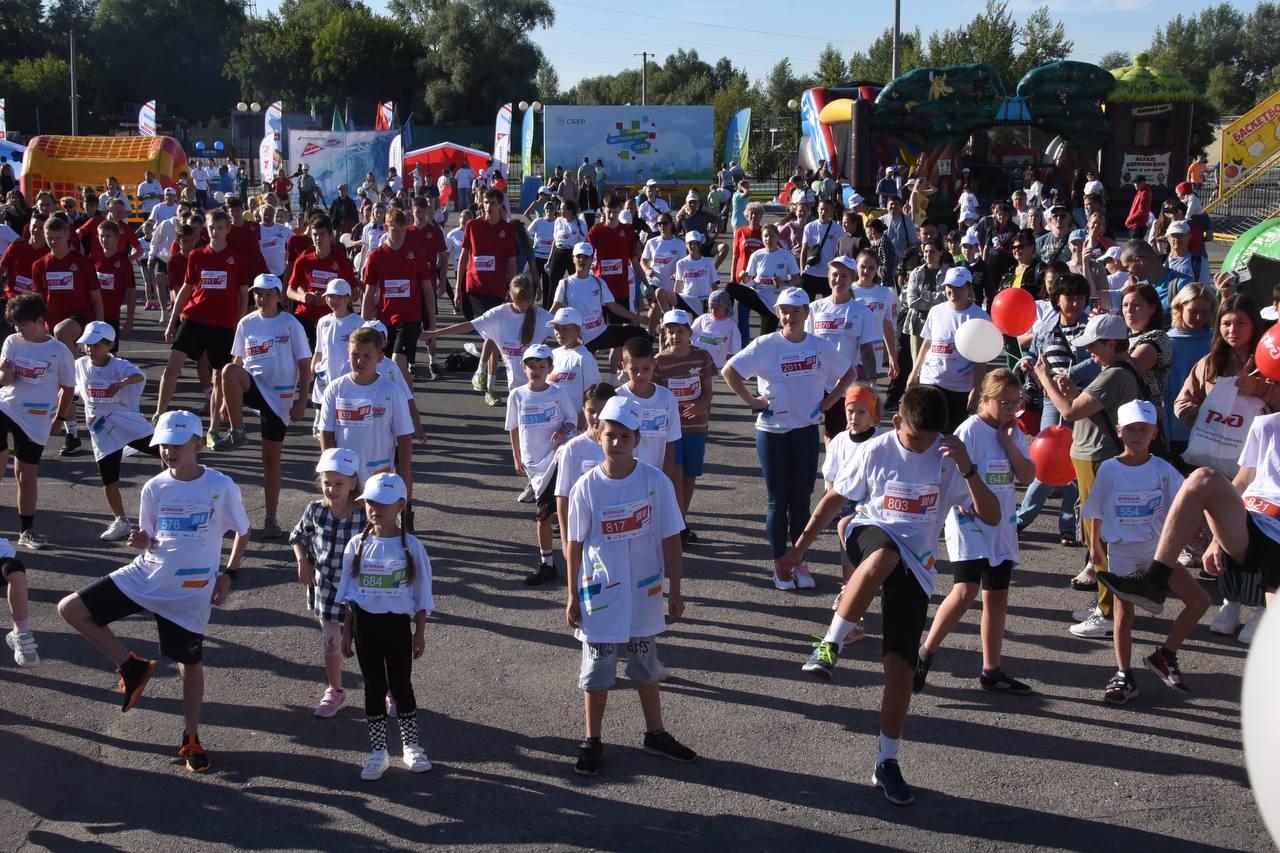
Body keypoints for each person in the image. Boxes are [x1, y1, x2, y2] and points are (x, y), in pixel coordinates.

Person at [782, 385, 1001, 806]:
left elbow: (991, 515)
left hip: (917, 565)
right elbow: (833, 500)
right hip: (868, 532)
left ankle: (887, 761)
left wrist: (969, 469)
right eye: (918, 439)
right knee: (882, 556)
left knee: (900, 673)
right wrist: (800, 547)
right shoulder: (877, 450)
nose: (926, 446)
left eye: (933, 438)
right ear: (898, 422)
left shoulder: (947, 458)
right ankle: (829, 646)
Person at [57, 409, 250, 773]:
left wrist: (229, 574)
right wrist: (141, 540)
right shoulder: (155, 487)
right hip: (147, 577)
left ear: (197, 444)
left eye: (177, 444)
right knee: (71, 608)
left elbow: (243, 530)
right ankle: (130, 666)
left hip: (190, 591)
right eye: (163, 445)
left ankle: (191, 738)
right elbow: (150, 541)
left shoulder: (221, 486)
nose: (169, 451)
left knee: (189, 664)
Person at [564, 396, 695, 777]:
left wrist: (676, 589)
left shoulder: (655, 482)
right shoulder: (587, 486)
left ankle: (655, 733)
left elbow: (672, 536)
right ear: (598, 437)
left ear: (637, 439)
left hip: (644, 590)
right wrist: (572, 593)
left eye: (624, 436)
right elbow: (573, 542)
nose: (616, 442)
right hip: (600, 592)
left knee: (644, 663)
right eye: (610, 435)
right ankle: (592, 739)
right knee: (597, 669)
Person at [722, 287, 854, 589]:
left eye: (796, 311)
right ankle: (780, 564)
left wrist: (829, 402)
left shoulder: (819, 346)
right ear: (778, 313)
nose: (789, 316)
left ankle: (799, 559)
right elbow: (729, 371)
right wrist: (752, 401)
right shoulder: (765, 345)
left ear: (806, 313)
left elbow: (847, 373)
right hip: (772, 433)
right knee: (778, 501)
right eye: (784, 311)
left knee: (802, 500)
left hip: (806, 431)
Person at [915, 369, 1036, 695]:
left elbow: (1027, 475)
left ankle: (991, 669)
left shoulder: (1010, 431)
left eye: (1016, 402)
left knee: (997, 597)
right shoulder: (969, 430)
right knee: (966, 590)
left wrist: (1009, 442)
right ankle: (925, 653)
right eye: (1005, 402)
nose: (1012, 409)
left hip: (1003, 524)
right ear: (985, 399)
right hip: (967, 520)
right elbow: (947, 471)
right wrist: (959, 502)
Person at [1173, 294, 1280, 641]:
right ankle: (1231, 600)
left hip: (1261, 465)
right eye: (1226, 323)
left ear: (1255, 326)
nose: (1233, 329)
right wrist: (1202, 418)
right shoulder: (1209, 363)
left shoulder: (1267, 359)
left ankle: (1264, 608)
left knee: (1262, 537)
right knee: (1222, 533)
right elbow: (1183, 401)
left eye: (1241, 322)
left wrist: (1262, 388)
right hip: (1219, 460)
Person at [1033, 313, 1143, 637]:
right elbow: (1080, 407)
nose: (1089, 353)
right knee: (1096, 537)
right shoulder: (1111, 371)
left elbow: (1069, 412)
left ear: (1111, 343)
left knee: (1100, 539)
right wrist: (1067, 390)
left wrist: (1046, 381)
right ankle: (1105, 606)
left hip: (1098, 458)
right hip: (1091, 457)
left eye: (1094, 346)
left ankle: (1108, 612)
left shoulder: (1115, 375)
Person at [1075, 399, 1189, 703]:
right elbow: (1095, 510)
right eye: (1131, 429)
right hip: (1122, 551)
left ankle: (1165, 655)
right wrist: (1095, 550)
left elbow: (1184, 504)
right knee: (1123, 613)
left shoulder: (1163, 469)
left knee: (1198, 600)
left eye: (1144, 429)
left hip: (1158, 552)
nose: (1137, 435)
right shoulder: (1110, 469)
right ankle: (1124, 674)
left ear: (1154, 432)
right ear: (1119, 431)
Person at [336, 472, 434, 779]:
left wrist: (420, 632)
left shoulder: (412, 546)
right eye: (370, 503)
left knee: (401, 685)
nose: (375, 509)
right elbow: (351, 594)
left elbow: (421, 594)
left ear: (400, 505)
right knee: (374, 687)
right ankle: (378, 752)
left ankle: (411, 746)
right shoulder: (356, 545)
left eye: (383, 503)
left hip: (397, 627)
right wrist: (347, 631)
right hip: (366, 627)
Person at [210, 274, 311, 538]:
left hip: (280, 399)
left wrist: (302, 400)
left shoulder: (290, 324)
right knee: (229, 370)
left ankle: (271, 518)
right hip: (254, 387)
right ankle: (238, 431)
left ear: (279, 296)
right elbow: (236, 362)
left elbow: (304, 365)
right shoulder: (247, 322)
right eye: (258, 294)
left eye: (268, 294)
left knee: (270, 459)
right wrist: (225, 404)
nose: (262, 299)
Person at [289, 447, 366, 718]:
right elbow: (298, 536)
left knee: (369, 641)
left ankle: (386, 689)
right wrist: (303, 561)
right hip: (325, 585)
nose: (331, 489)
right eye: (326, 483)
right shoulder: (315, 510)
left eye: (339, 484)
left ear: (353, 482)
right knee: (331, 641)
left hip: (359, 587)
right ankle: (336, 690)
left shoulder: (364, 512)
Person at [1015, 273, 1091, 544]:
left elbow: (1097, 361)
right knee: (1046, 461)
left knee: (1074, 464)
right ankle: (1022, 517)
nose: (1074, 304)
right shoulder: (1045, 327)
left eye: (1080, 298)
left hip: (1081, 402)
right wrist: (1026, 363)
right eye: (1069, 298)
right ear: (1057, 300)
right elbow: (1033, 354)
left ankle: (1068, 526)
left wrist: (1073, 376)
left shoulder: (1091, 328)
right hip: (1050, 400)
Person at [155, 210, 252, 420]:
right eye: (211, 228)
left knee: (218, 377)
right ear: (206, 230)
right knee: (172, 366)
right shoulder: (197, 256)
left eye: (219, 228)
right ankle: (158, 414)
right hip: (194, 319)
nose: (215, 232)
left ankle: (213, 428)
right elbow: (186, 289)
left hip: (223, 324)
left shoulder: (238, 257)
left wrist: (240, 325)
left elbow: (243, 293)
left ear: (227, 229)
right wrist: (172, 321)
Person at [0, 294, 77, 550]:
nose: (18, 329)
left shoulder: (59, 351)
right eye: (15, 324)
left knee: (26, 475)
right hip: (5, 407)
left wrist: (61, 418)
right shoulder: (12, 341)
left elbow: (67, 388)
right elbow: (5, 380)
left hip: (35, 418)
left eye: (22, 324)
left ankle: (26, 531)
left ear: (40, 321)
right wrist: (6, 374)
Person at [74, 321, 161, 541]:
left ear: (110, 344)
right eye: (87, 344)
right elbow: (69, 389)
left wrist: (121, 383)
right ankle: (121, 520)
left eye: (95, 344)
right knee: (108, 478)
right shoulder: (80, 365)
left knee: (166, 452)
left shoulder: (119, 365)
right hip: (102, 430)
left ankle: (171, 495)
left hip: (127, 422)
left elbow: (139, 376)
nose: (90, 349)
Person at [506, 343, 577, 585]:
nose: (536, 370)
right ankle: (551, 562)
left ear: (550, 368)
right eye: (531, 366)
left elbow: (572, 420)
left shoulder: (557, 393)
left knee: (545, 513)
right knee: (547, 512)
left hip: (555, 460)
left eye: (541, 366)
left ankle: (551, 564)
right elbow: (514, 428)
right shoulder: (517, 395)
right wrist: (517, 457)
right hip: (532, 464)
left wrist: (563, 429)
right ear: (523, 368)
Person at [319, 325, 415, 493]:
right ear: (347, 353)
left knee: (378, 518)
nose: (359, 361)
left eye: (366, 356)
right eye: (354, 355)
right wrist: (331, 469)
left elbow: (404, 437)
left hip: (380, 476)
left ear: (379, 357)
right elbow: (326, 433)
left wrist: (405, 476)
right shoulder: (334, 389)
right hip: (345, 476)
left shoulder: (392, 392)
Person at [654, 309, 717, 543]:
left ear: (690, 332)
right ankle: (675, 525)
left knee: (690, 476)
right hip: (669, 430)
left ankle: (681, 521)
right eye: (670, 331)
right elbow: (654, 394)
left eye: (680, 331)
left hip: (696, 427)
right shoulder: (659, 361)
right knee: (673, 475)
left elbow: (708, 392)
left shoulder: (702, 357)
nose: (675, 335)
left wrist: (700, 405)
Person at [907, 267, 990, 432]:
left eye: (958, 287)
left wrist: (976, 389)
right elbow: (927, 343)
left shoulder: (980, 317)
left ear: (969, 288)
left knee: (951, 434)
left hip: (959, 388)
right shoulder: (936, 311)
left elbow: (981, 359)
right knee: (926, 430)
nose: (953, 291)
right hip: (930, 381)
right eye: (949, 286)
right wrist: (914, 372)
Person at [807, 256, 878, 440]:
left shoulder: (861, 311)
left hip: (844, 383)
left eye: (845, 276)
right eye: (835, 274)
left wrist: (871, 379)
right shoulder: (814, 308)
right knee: (812, 431)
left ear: (853, 278)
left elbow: (867, 349)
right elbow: (805, 345)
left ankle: (835, 467)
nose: (839, 280)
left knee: (838, 432)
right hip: (816, 382)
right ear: (828, 276)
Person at [550, 243, 648, 354]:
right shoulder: (565, 283)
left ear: (592, 259)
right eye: (578, 256)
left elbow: (613, 306)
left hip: (600, 332)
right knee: (585, 364)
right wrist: (539, 324)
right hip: (579, 337)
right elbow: (555, 307)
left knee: (641, 334)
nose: (582, 260)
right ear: (573, 259)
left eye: (586, 257)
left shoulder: (598, 282)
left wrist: (636, 317)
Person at [1164, 284, 1216, 463]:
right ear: (1179, 308)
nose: (1199, 317)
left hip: (1213, 429)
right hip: (1177, 429)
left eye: (1205, 311)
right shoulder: (1165, 342)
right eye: (1193, 311)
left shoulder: (1217, 341)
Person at [731, 223, 799, 338]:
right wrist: (744, 276)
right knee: (730, 288)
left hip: (773, 303)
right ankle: (724, 318)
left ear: (777, 238)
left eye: (772, 236)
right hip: (757, 295)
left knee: (765, 339)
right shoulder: (757, 255)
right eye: (766, 236)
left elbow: (797, 279)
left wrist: (783, 282)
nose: (769, 239)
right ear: (762, 239)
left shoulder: (786, 255)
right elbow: (749, 279)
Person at [547, 307, 601, 429]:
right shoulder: (552, 354)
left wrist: (577, 427)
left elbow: (592, 396)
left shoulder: (584, 358)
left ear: (577, 329)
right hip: (550, 425)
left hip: (573, 428)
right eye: (557, 328)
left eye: (565, 328)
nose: (559, 333)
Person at [91, 219, 138, 348]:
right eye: (101, 236)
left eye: (108, 236)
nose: (104, 239)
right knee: (91, 351)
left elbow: (131, 292)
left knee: (110, 354)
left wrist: (129, 321)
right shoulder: (93, 259)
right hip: (92, 314)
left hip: (112, 316)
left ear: (117, 238)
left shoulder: (123, 262)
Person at [690, 289, 742, 370]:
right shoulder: (704, 318)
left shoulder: (730, 325)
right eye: (711, 308)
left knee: (709, 380)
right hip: (700, 359)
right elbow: (692, 333)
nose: (713, 311)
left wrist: (735, 356)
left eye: (717, 308)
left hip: (717, 361)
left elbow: (736, 344)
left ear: (725, 307)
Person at [1125, 175, 1152, 240]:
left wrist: (1129, 220)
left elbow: (1141, 211)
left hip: (1138, 226)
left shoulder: (1145, 193)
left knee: (1134, 247)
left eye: (1137, 183)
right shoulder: (1140, 192)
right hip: (1135, 225)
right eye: (1134, 183)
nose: (1135, 185)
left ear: (1143, 183)